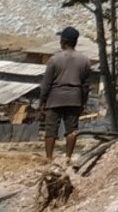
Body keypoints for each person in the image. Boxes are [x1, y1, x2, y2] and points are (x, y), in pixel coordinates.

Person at [40, 25, 93, 165]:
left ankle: (49, 158)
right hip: (74, 98)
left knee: (51, 130)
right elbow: (86, 86)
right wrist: (83, 102)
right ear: (75, 41)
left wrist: (42, 101)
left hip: (55, 98)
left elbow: (46, 84)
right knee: (72, 130)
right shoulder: (85, 60)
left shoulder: (54, 59)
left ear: (63, 41)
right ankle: (68, 157)